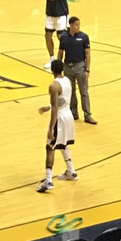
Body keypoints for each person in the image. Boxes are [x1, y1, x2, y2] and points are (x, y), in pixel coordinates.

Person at [36, 59, 78, 192]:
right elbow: (63, 100)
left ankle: (48, 180)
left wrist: (51, 128)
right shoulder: (67, 80)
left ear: (52, 70)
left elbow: (55, 108)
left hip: (59, 117)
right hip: (68, 115)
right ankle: (71, 171)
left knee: (50, 147)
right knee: (62, 143)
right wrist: (47, 107)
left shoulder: (53, 86)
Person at [57, 15, 96, 124]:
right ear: (71, 25)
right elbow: (60, 53)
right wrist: (58, 68)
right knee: (71, 91)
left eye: (79, 25)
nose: (78, 27)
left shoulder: (84, 37)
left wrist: (87, 69)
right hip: (67, 67)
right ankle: (73, 113)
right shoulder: (64, 37)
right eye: (76, 25)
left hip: (80, 66)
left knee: (84, 91)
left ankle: (87, 115)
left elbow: (87, 53)